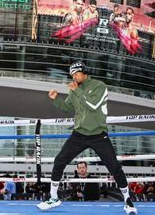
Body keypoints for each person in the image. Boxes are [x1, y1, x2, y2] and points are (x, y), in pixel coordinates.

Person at [37, 61, 137, 214]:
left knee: (114, 167)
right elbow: (68, 107)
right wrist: (56, 99)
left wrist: (76, 91)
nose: (74, 77)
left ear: (84, 72)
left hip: (98, 134)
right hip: (79, 134)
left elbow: (93, 105)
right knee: (60, 160)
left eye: (76, 74)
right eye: (72, 75)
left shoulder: (99, 86)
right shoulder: (75, 89)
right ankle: (53, 197)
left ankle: (128, 200)